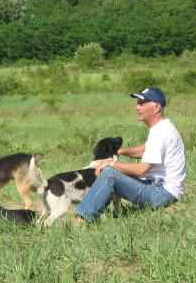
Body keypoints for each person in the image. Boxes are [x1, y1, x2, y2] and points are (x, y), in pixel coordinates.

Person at [75, 86, 186, 224]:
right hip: (162, 188)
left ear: (156, 107)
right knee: (112, 170)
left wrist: (111, 163)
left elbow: (142, 169)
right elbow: (147, 150)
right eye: (137, 103)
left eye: (142, 103)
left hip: (162, 194)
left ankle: (83, 219)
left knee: (110, 174)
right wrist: (120, 151)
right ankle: (100, 211)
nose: (137, 107)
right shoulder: (163, 128)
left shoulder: (161, 132)